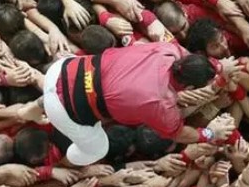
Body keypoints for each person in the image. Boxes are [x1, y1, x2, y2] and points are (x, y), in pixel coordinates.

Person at [41, 42, 235, 164]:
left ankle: (36, 107)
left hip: (61, 68)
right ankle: (63, 165)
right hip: (61, 109)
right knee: (98, 149)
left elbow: (186, 55)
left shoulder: (168, 50)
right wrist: (211, 133)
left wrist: (218, 68)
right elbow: (180, 134)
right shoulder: (162, 104)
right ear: (190, 87)